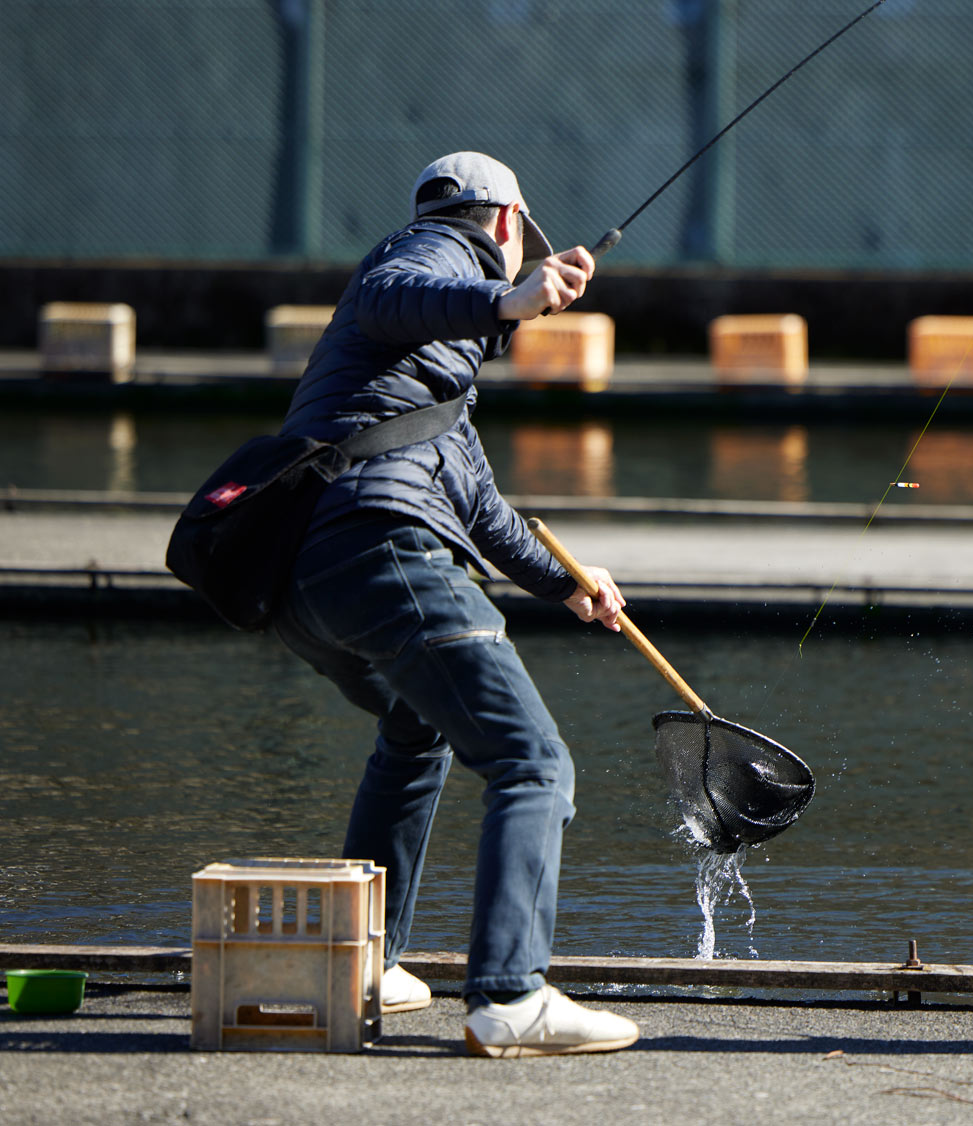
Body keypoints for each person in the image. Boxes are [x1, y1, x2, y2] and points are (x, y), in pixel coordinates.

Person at [273, 151, 640, 1057]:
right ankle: (510, 996)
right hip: (382, 546)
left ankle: (363, 964)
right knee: (533, 761)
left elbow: (479, 507)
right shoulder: (434, 247)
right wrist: (510, 299)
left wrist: (569, 584)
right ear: (507, 223)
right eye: (516, 247)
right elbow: (395, 289)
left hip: (306, 580)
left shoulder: (427, 383)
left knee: (415, 729)